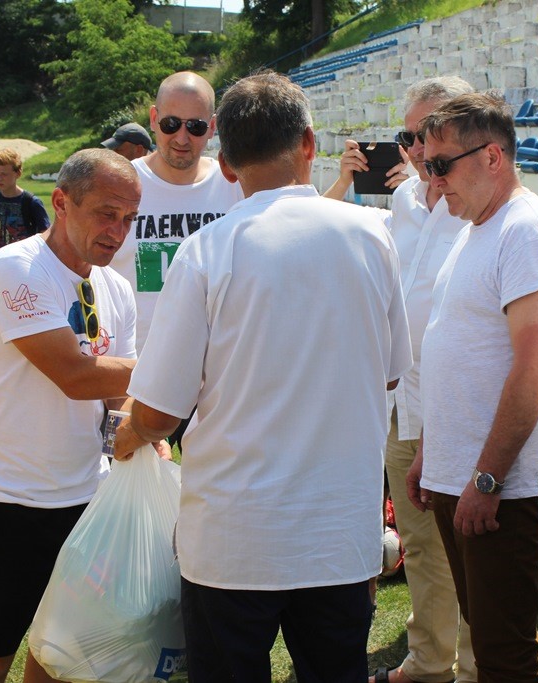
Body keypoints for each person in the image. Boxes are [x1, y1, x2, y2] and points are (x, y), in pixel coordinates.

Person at [115, 71, 412, 682]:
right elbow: (388, 376)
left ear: (225, 164)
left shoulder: (206, 251)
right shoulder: (372, 238)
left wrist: (124, 433)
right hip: (336, 534)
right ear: (309, 144)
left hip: (233, 539)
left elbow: (160, 412)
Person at [0, 149, 160, 683]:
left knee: (59, 651)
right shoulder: (18, 268)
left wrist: (143, 434)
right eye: (105, 213)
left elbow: (112, 397)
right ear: (61, 202)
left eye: (129, 219)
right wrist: (172, 368)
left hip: (87, 499)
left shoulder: (115, 287)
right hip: (10, 498)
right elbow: (76, 375)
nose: (118, 231)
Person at [407, 92, 538, 683]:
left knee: (505, 657)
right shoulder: (475, 229)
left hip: (501, 486)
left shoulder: (527, 230)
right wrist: (431, 451)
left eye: (442, 164)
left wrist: (486, 477)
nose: (433, 178)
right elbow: (460, 354)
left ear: (494, 157)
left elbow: (536, 368)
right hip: (466, 477)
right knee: (492, 636)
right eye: (427, 164)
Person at [326, 76, 478, 683]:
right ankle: (431, 656)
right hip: (403, 403)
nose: (414, 147)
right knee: (420, 543)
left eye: (425, 133)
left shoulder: (481, 207)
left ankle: (474, 664)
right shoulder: (405, 201)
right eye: (406, 135)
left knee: (468, 550)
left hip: (460, 408)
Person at [110, 71, 243, 353]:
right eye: (171, 124)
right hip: (135, 368)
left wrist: (343, 180)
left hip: (214, 372)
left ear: (212, 126)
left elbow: (291, 219)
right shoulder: (119, 184)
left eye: (195, 127)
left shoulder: (234, 183)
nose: (182, 138)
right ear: (154, 118)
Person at [0, 148, 50, 252]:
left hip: (26, 260)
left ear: (18, 173)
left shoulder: (32, 203)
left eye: (4, 174)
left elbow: (46, 236)